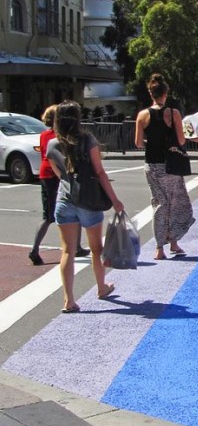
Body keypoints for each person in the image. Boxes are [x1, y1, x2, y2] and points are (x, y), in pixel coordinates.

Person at [46, 100, 124, 312]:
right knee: (96, 248)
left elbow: (58, 173)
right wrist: (115, 200)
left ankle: (68, 300)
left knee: (67, 251)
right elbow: (99, 172)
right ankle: (101, 287)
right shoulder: (88, 140)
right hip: (89, 200)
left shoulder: (52, 144)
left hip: (65, 200)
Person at [135, 73, 195, 260]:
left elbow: (138, 143)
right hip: (171, 164)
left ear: (151, 94)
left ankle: (159, 248)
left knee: (160, 204)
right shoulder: (174, 113)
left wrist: (152, 141)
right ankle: (174, 242)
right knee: (176, 203)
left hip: (152, 164)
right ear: (165, 94)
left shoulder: (142, 115)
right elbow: (182, 139)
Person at [29, 105, 89, 266]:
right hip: (55, 175)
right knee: (57, 213)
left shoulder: (44, 135)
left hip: (45, 174)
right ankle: (35, 250)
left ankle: (76, 246)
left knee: (54, 213)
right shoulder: (58, 137)